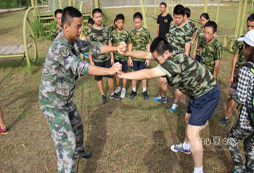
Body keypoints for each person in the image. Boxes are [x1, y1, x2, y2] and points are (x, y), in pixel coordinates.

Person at [38, 7, 125, 173]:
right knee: (66, 143)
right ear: (66, 27)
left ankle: (79, 151)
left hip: (64, 99)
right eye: (77, 27)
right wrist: (109, 71)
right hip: (52, 102)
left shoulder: (73, 41)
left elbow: (92, 47)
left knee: (77, 126)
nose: (80, 30)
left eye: (81, 26)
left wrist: (115, 49)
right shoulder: (60, 47)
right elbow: (81, 66)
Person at [118, 37, 220, 173]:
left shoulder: (173, 64)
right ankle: (186, 146)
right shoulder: (170, 52)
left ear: (166, 53)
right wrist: (126, 54)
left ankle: (198, 170)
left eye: (157, 59)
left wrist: (123, 75)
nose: (156, 62)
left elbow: (148, 73)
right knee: (187, 118)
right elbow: (146, 54)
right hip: (197, 93)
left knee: (192, 132)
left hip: (208, 94)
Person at [226, 30, 254, 173]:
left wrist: (232, 92)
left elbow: (241, 97)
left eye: (244, 45)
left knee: (230, 141)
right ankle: (250, 169)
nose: (243, 49)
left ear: (248, 48)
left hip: (247, 119)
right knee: (250, 145)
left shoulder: (246, 69)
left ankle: (240, 169)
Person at [220, 13, 254, 126]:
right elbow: (235, 56)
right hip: (238, 74)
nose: (249, 29)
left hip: (248, 75)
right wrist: (232, 74)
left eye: (252, 27)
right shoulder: (242, 40)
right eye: (248, 26)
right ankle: (226, 116)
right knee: (232, 94)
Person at [157, 4, 192, 112]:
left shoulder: (187, 29)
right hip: (169, 58)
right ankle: (163, 97)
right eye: (175, 17)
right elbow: (169, 42)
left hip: (180, 61)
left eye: (179, 18)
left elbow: (187, 49)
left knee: (179, 85)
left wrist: (184, 63)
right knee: (162, 79)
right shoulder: (172, 27)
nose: (177, 20)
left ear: (183, 16)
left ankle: (175, 103)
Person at [87, 8, 120, 104]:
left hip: (107, 58)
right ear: (93, 18)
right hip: (97, 59)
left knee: (110, 76)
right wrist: (91, 61)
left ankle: (112, 93)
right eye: (96, 17)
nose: (98, 19)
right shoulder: (90, 31)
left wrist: (112, 57)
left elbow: (110, 43)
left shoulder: (106, 29)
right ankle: (102, 94)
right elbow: (89, 47)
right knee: (99, 78)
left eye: (100, 17)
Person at [128, 12, 151, 100]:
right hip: (134, 58)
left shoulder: (146, 32)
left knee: (143, 75)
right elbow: (130, 44)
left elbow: (148, 44)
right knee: (134, 74)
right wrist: (129, 57)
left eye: (138, 22)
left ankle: (144, 91)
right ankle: (133, 90)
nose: (137, 24)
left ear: (142, 21)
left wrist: (148, 57)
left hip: (143, 58)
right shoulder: (132, 32)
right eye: (135, 22)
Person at [109, 14, 129, 98]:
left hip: (124, 57)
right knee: (116, 73)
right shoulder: (113, 33)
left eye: (122, 22)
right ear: (115, 23)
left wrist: (128, 57)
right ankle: (118, 87)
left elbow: (129, 45)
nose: (120, 24)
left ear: (124, 23)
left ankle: (123, 88)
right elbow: (111, 44)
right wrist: (112, 57)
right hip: (116, 57)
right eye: (118, 22)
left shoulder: (126, 33)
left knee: (124, 72)